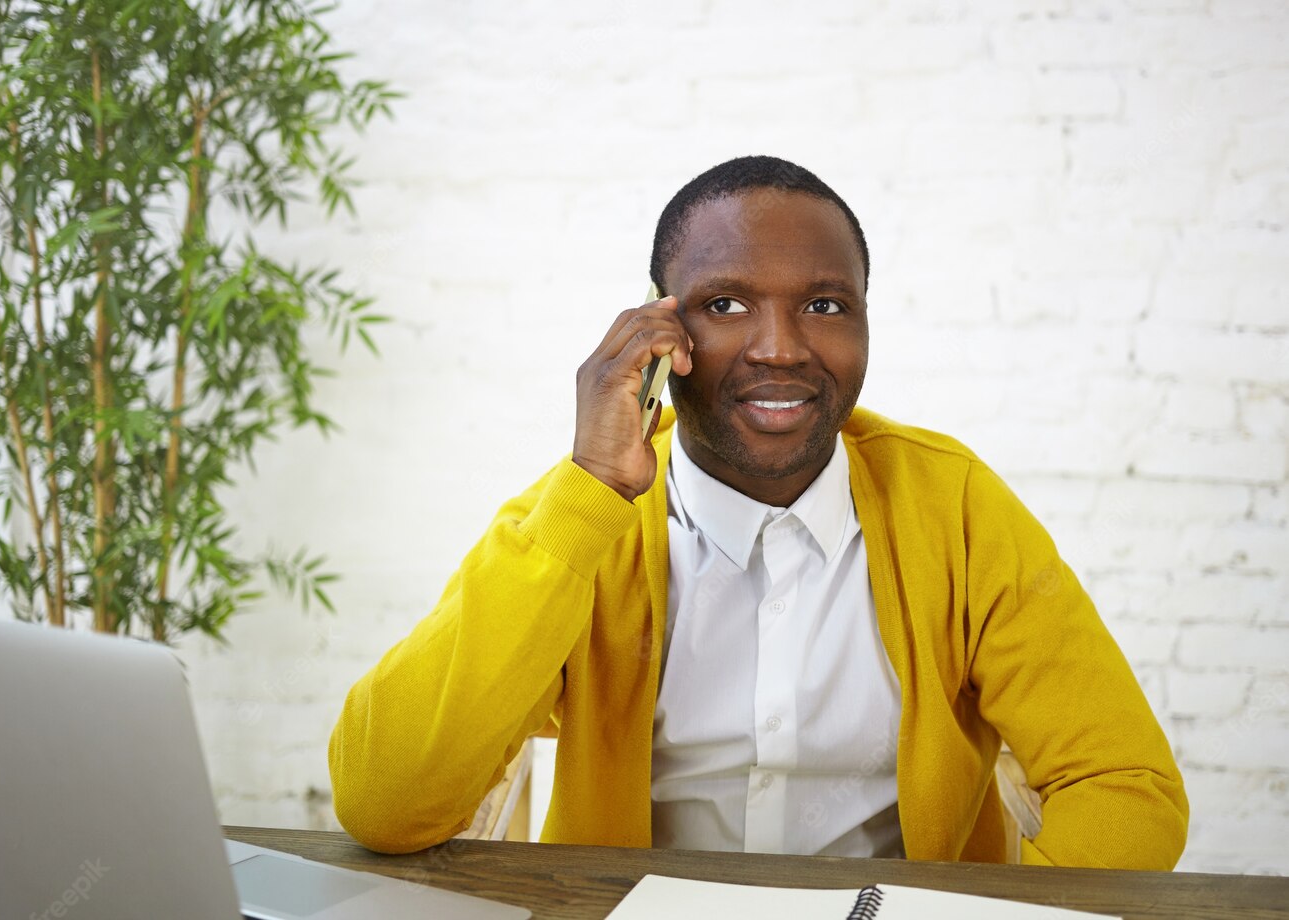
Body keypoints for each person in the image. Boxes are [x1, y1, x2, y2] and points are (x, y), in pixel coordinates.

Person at [328, 155, 1188, 869]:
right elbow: (384, 798)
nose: (780, 348)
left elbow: (1124, 786)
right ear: (662, 331)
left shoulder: (953, 505)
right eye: (727, 304)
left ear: (864, 323)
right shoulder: (582, 521)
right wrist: (590, 487)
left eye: (824, 306)